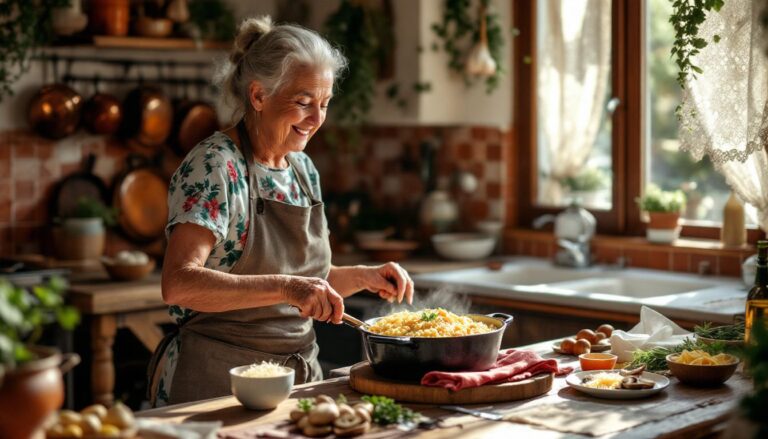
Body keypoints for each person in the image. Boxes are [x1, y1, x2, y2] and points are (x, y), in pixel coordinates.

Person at [148, 16, 414, 406]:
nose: (316, 119)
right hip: (218, 385)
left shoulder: (302, 169)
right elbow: (179, 283)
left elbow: (310, 283)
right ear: (258, 96)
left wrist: (365, 276)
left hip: (297, 382)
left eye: (324, 104)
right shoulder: (216, 166)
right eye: (303, 103)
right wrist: (289, 288)